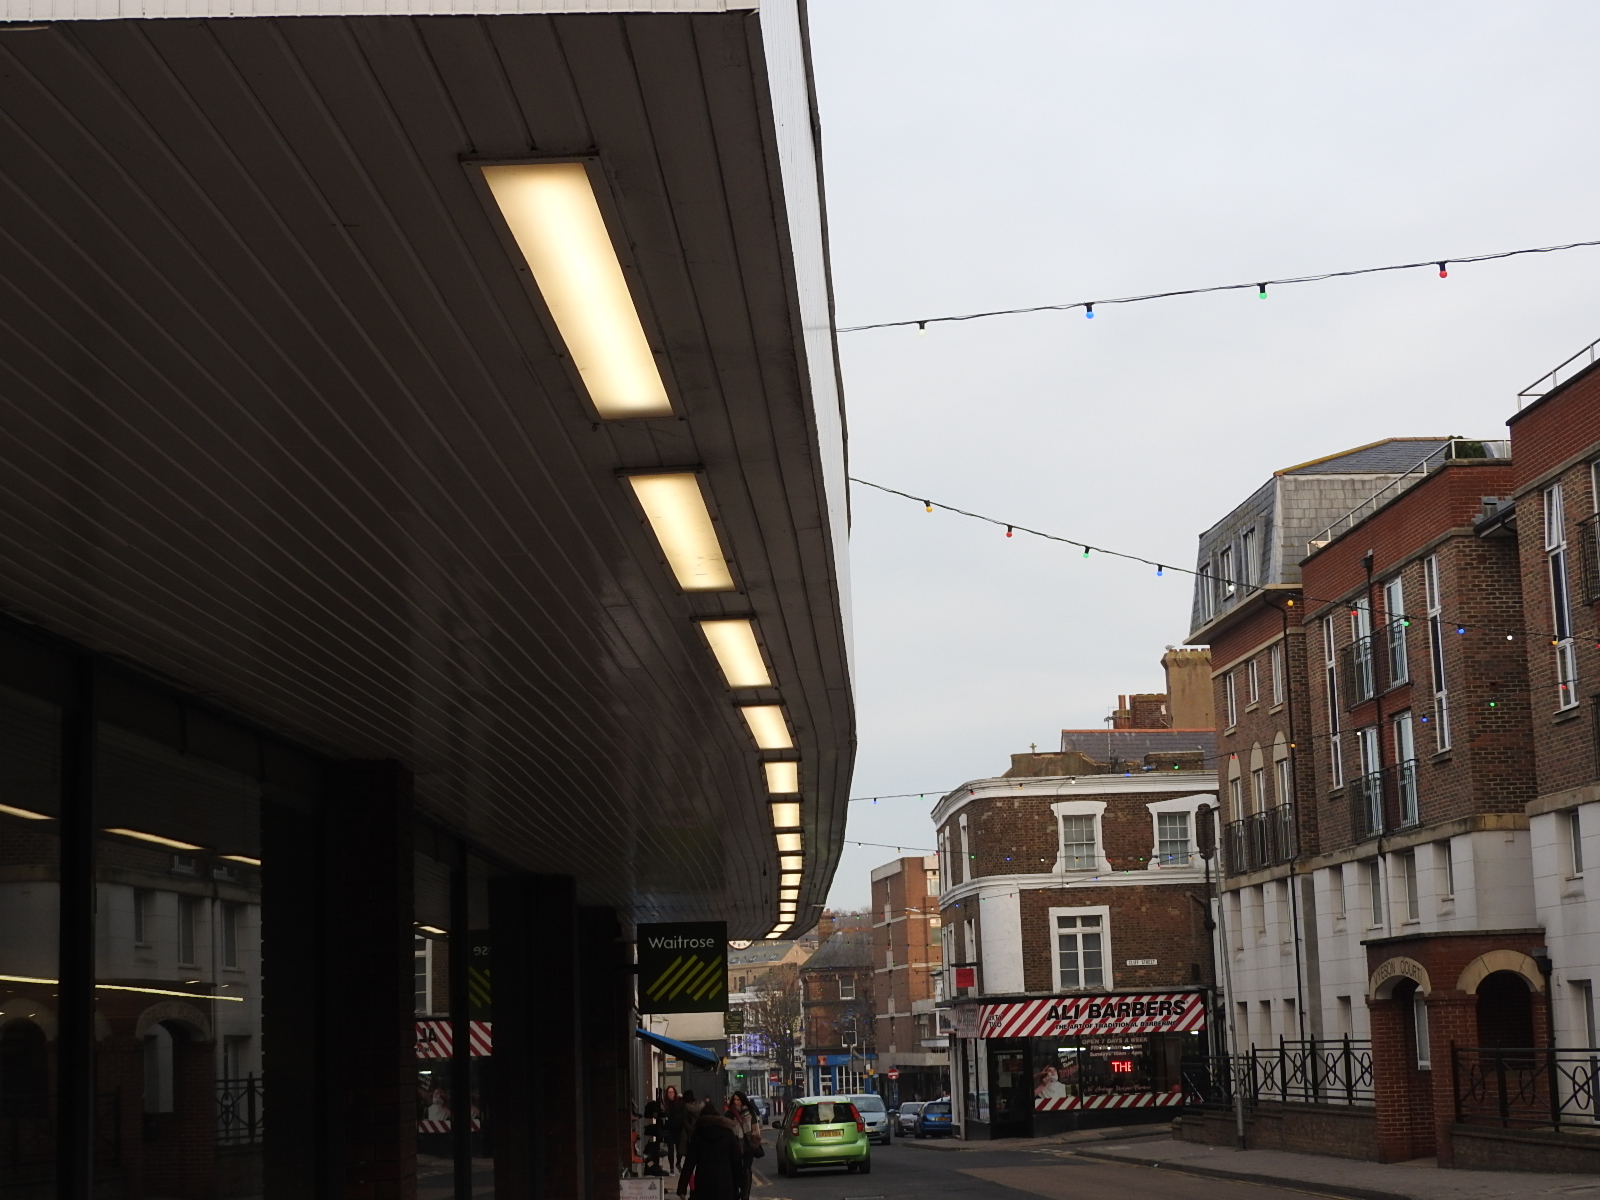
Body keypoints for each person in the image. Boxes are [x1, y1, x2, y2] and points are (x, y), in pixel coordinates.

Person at [676, 1103, 743, 1199]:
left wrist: (682, 1188)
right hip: (725, 1180)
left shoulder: (698, 1134)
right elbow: (736, 1160)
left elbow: (689, 1162)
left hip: (703, 1180)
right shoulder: (728, 1133)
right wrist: (738, 1184)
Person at [724, 1092, 761, 1200]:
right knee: (736, 1169)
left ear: (743, 1100)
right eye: (734, 1099)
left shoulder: (750, 1112)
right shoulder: (729, 1113)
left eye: (738, 1100)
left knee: (747, 1169)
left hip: (748, 1145)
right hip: (735, 1145)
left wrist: (755, 1140)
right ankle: (736, 1192)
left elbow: (755, 1128)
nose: (736, 1102)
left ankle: (745, 1195)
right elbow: (727, 1130)